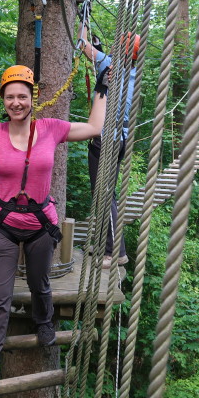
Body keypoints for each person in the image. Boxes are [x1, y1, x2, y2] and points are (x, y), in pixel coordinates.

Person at [0, 65, 107, 397]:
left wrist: (101, 90)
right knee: (0, 299)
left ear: (32, 98)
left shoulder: (51, 128)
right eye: (10, 97)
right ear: (2, 100)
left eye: (22, 96)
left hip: (41, 226)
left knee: (39, 284)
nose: (16, 103)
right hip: (3, 227)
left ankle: (44, 321)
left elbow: (93, 127)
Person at [79, 29, 135, 269]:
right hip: (119, 138)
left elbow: (83, 44)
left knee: (103, 195)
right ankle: (106, 245)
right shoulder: (132, 72)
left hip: (106, 139)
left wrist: (84, 14)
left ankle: (115, 252)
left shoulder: (111, 65)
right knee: (106, 193)